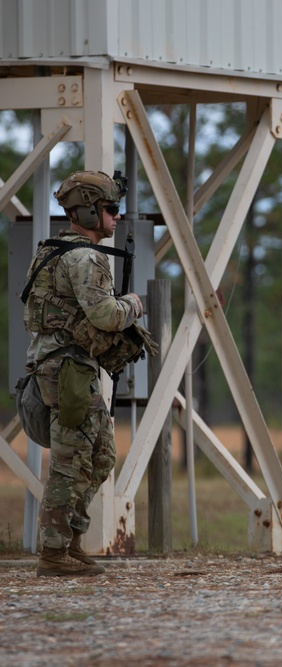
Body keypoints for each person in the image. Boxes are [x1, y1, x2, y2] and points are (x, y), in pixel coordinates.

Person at [23, 170, 143, 577]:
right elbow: (106, 316)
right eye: (110, 210)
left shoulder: (51, 251)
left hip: (67, 365)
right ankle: (53, 554)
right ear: (88, 212)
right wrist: (133, 304)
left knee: (102, 454)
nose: (116, 217)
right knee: (69, 458)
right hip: (67, 368)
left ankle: (70, 538)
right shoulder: (86, 257)